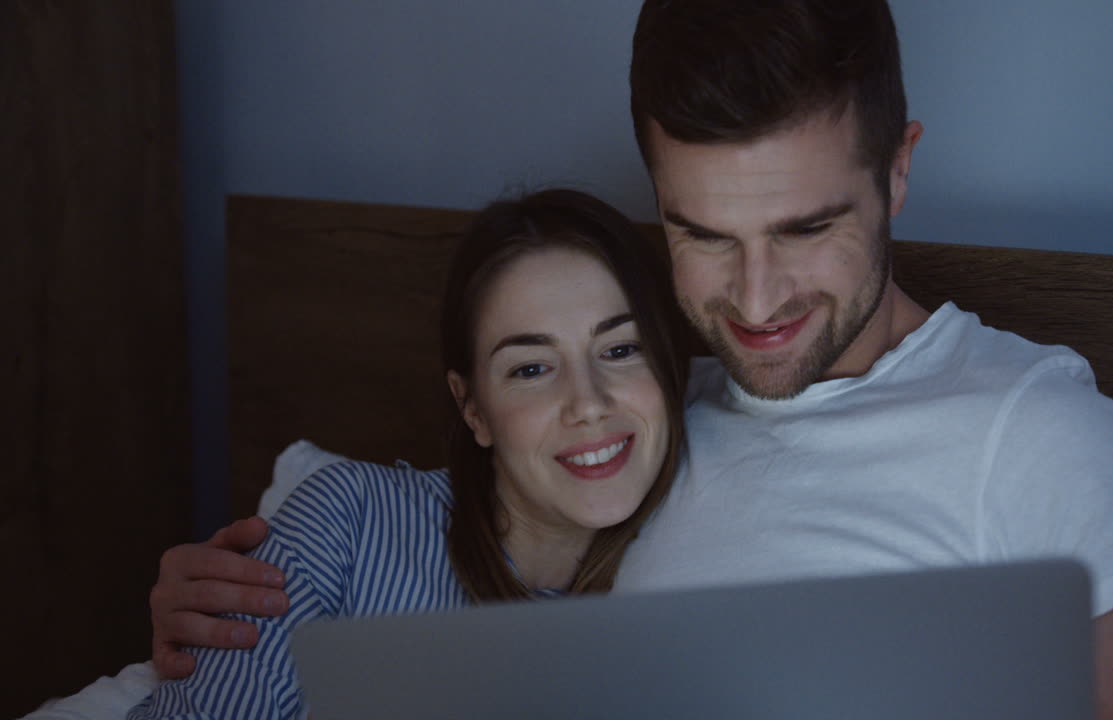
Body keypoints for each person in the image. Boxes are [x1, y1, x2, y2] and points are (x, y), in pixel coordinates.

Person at [53, 2, 1113, 719]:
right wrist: (230, 601)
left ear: (897, 169)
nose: (752, 304)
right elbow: (435, 543)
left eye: (804, 230)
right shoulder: (650, 421)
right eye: (701, 233)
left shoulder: (1032, 433)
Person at [101, 189, 685, 718]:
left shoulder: (709, 567)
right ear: (472, 408)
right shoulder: (350, 523)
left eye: (621, 349)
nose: (587, 403)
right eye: (531, 368)